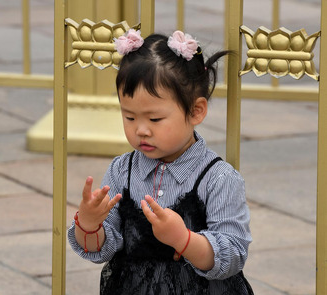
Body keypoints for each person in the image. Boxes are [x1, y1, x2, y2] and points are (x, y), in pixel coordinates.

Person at [68, 29, 253, 294]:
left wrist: (183, 239)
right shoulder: (123, 171)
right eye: (129, 117)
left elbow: (233, 254)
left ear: (196, 111)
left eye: (154, 119)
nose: (141, 129)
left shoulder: (218, 178)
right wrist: (88, 225)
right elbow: (101, 250)